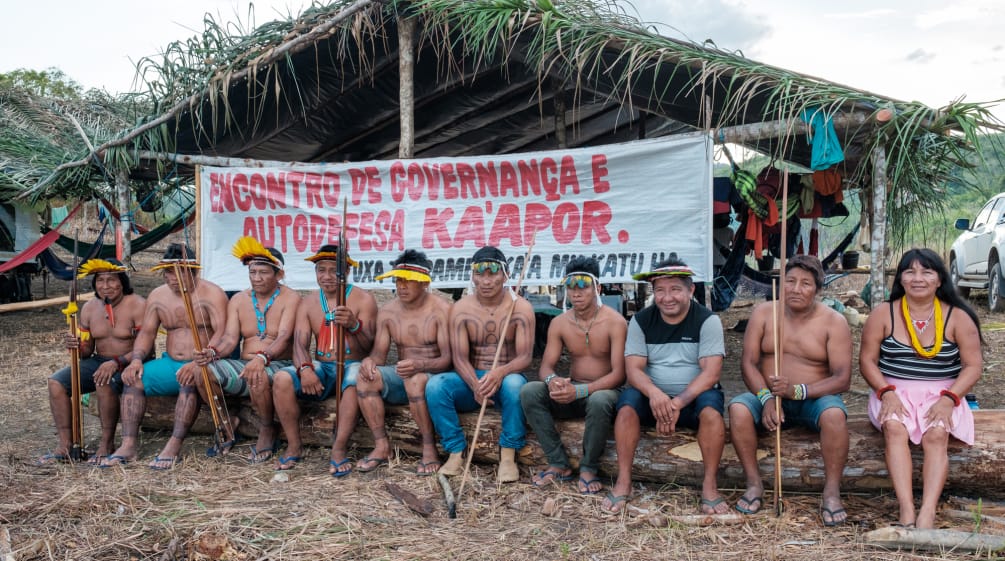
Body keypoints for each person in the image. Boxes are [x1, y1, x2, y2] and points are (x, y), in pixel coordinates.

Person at [860, 248, 982, 529]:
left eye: (926, 272)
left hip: (944, 394)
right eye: (910, 271)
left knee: (937, 434)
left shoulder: (958, 317)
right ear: (900, 279)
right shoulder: (884, 314)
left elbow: (973, 366)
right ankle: (906, 509)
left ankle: (927, 511)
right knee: (894, 428)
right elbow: (866, 361)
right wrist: (885, 392)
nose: (918, 278)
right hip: (892, 390)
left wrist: (951, 398)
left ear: (939, 280)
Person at [728, 255, 852, 525]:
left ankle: (831, 492)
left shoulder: (834, 321)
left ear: (818, 289)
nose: (796, 289)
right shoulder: (764, 313)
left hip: (813, 398)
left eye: (806, 283)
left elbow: (843, 379)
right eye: (790, 281)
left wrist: (798, 391)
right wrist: (767, 399)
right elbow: (748, 363)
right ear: (780, 284)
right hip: (768, 396)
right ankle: (754, 484)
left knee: (834, 416)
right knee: (737, 408)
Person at [602, 257, 728, 515]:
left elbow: (711, 373)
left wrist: (677, 403)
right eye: (660, 290)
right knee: (626, 407)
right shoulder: (641, 320)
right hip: (653, 395)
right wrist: (656, 395)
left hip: (693, 395)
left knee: (712, 413)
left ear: (691, 290)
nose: (667, 297)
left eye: (675, 289)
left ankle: (710, 485)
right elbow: (633, 370)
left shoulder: (707, 321)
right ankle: (624, 481)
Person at [102, 244, 228, 469]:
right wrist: (137, 360)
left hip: (202, 363)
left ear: (194, 271)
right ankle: (129, 444)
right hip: (170, 362)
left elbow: (222, 333)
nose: (172, 278)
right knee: (134, 379)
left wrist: (201, 360)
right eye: (168, 272)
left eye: (178, 272)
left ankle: (174, 444)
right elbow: (147, 333)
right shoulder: (158, 295)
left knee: (188, 378)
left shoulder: (212, 293)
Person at [184, 237, 300, 465]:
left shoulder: (291, 298)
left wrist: (262, 358)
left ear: (279, 274)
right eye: (252, 272)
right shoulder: (238, 299)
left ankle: (267, 427)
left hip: (278, 365)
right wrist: (212, 353)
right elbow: (229, 339)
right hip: (245, 365)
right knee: (202, 372)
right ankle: (226, 422)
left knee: (256, 373)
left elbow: (285, 337)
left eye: (263, 272)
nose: (256, 278)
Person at [427, 246, 534, 483]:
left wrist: (500, 372)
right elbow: (459, 358)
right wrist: (476, 385)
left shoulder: (521, 307)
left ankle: (508, 455)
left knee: (517, 385)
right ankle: (456, 451)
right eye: (480, 273)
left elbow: (525, 357)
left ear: (505, 275)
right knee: (436, 386)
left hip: (507, 377)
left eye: (493, 273)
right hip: (472, 379)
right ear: (472, 275)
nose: (486, 281)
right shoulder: (461, 308)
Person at [520, 256, 626, 494]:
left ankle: (589, 468)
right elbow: (546, 366)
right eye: (571, 287)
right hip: (573, 391)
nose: (576, 293)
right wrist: (553, 381)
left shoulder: (615, 322)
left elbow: (620, 374)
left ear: (597, 288)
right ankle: (558, 463)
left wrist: (581, 390)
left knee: (599, 400)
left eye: (583, 286)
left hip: (605, 393)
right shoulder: (560, 323)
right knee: (530, 391)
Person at [272, 243, 376, 474]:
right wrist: (305, 369)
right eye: (321, 270)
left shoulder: (363, 299)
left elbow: (370, 345)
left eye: (334, 270)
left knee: (354, 378)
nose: (327, 276)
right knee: (281, 378)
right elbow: (299, 343)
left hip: (352, 364)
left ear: (347, 272)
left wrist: (354, 325)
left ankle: (338, 450)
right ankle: (294, 445)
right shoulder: (308, 302)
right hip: (322, 367)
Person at [355, 250, 452, 475]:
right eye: (398, 280)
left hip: (433, 377)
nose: (402, 286)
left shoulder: (442, 310)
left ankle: (429, 448)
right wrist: (369, 361)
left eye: (408, 281)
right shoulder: (388, 311)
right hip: (405, 375)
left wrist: (420, 365)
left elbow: (448, 360)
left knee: (415, 380)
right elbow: (379, 354)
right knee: (365, 379)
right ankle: (382, 446)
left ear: (424, 283)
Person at [41, 259, 146, 464]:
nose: (105, 286)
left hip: (130, 361)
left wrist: (116, 362)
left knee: (103, 380)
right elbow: (86, 352)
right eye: (100, 280)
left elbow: (146, 347)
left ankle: (106, 443)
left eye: (111, 280)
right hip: (99, 361)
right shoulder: (89, 307)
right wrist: (77, 345)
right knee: (56, 382)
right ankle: (65, 444)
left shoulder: (138, 305)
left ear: (122, 282)